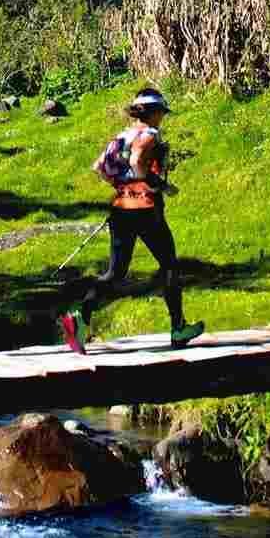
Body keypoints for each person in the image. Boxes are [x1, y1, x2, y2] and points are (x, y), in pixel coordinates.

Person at [59, 87, 204, 355]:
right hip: (146, 209)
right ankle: (178, 328)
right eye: (161, 112)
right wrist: (159, 185)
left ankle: (80, 316)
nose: (163, 117)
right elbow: (137, 162)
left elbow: (100, 167)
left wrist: (122, 187)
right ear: (154, 113)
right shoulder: (150, 134)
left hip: (121, 209)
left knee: (115, 272)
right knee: (170, 265)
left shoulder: (122, 135)